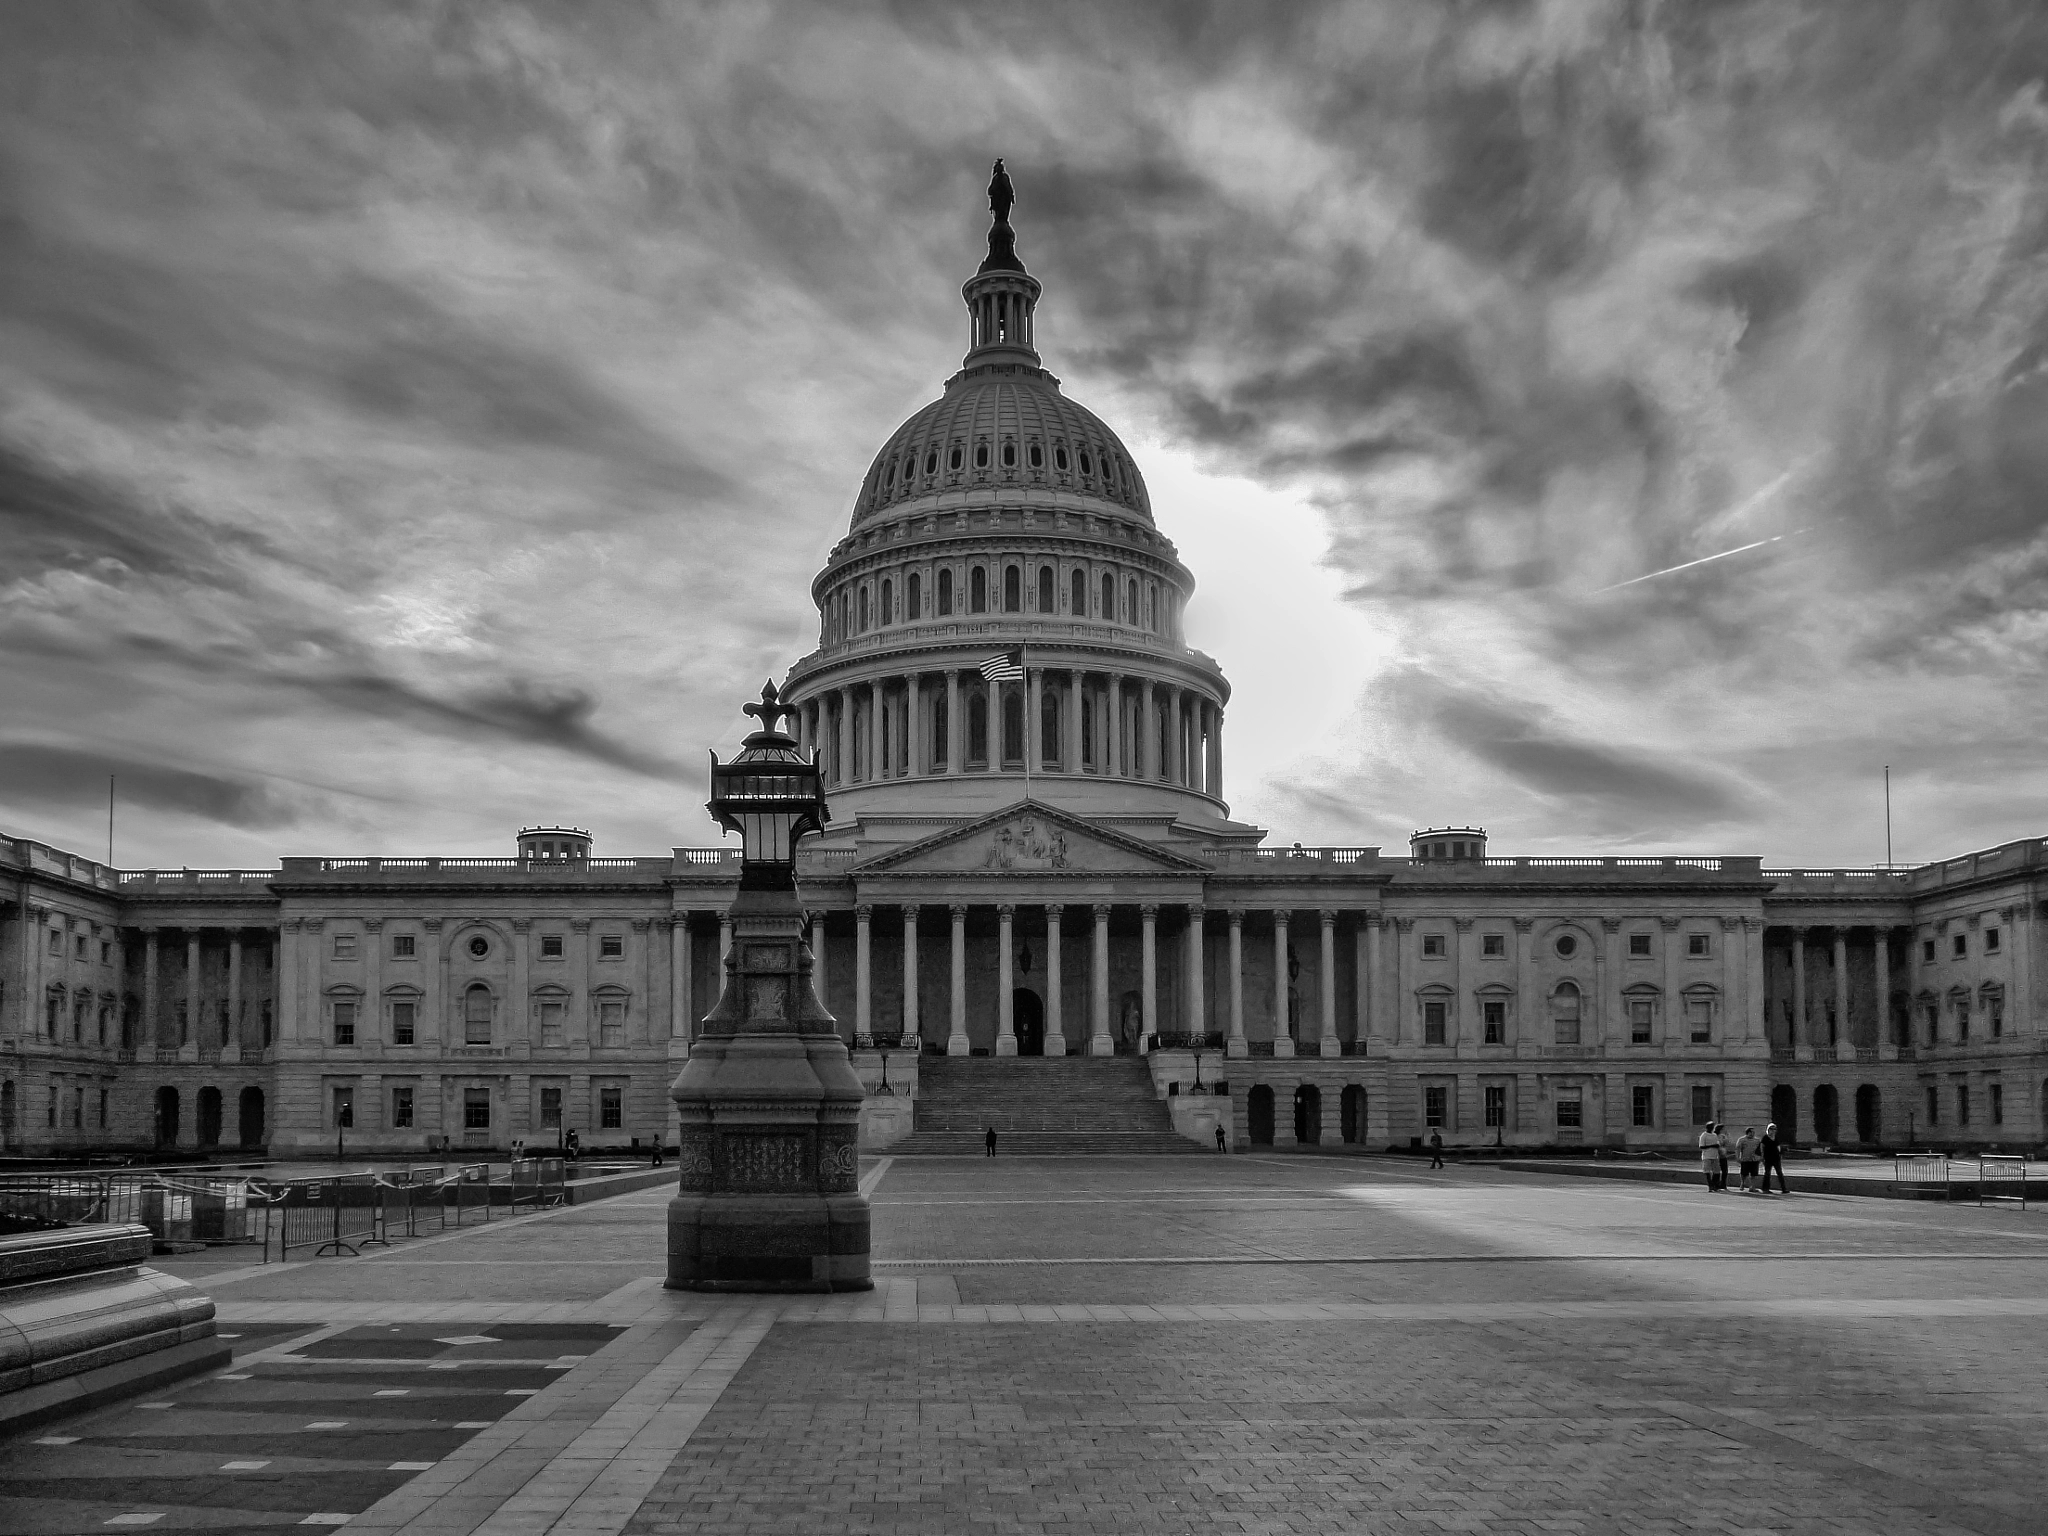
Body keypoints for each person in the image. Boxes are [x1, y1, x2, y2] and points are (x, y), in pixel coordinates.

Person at [1760, 1121, 1787, 1194]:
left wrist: (1780, 1155)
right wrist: (1762, 1157)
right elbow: (1762, 1147)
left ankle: (1783, 1188)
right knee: (1767, 1173)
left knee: (1780, 1173)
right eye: (1771, 1129)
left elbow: (1778, 1147)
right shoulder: (1765, 1138)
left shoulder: (1776, 1138)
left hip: (1776, 1158)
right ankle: (1765, 1189)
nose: (1773, 1131)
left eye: (1774, 1129)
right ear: (1768, 1130)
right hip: (1768, 1158)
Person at [1698, 1121, 1723, 1192]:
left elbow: (1717, 1143)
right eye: (1710, 1127)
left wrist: (1718, 1146)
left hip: (1715, 1155)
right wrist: (1712, 1146)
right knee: (1707, 1171)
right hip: (1707, 1156)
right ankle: (1710, 1185)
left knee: (1717, 1171)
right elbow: (1701, 1146)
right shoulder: (1704, 1135)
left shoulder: (1714, 1135)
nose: (1711, 1128)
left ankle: (1715, 1184)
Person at [1735, 1126, 1761, 1192]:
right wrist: (1738, 1157)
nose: (1753, 1134)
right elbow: (1738, 1149)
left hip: (1754, 1159)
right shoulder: (1742, 1140)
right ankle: (1742, 1183)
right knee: (1744, 1173)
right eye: (1751, 1132)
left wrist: (1761, 1157)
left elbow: (1760, 1149)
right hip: (1745, 1159)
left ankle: (1752, 1187)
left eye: (1754, 1132)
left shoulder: (1757, 1140)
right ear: (1748, 1133)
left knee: (1754, 1174)